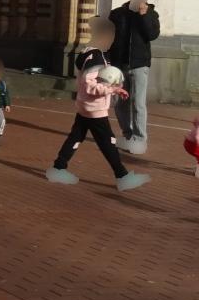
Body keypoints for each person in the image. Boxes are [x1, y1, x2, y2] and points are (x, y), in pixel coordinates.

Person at [45, 17, 151, 191]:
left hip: (85, 107)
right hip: (94, 108)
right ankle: (122, 176)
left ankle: (58, 168)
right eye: (111, 36)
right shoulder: (96, 57)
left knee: (76, 136)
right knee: (108, 142)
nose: (112, 41)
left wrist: (113, 87)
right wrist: (112, 90)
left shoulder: (89, 54)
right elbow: (90, 85)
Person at [108, 0, 159, 155]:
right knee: (120, 103)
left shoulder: (152, 14)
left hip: (139, 65)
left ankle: (140, 139)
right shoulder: (117, 14)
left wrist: (143, 15)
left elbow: (152, 35)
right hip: (119, 65)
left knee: (138, 103)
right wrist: (108, 62)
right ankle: (128, 135)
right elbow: (110, 38)